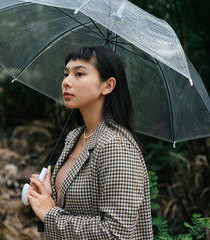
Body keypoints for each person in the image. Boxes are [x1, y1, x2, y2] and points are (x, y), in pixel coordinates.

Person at [27, 46, 153, 239]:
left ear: (108, 86)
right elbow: (74, 208)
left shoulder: (116, 146)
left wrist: (50, 214)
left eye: (79, 74)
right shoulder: (74, 136)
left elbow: (116, 233)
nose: (66, 82)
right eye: (66, 74)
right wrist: (50, 196)